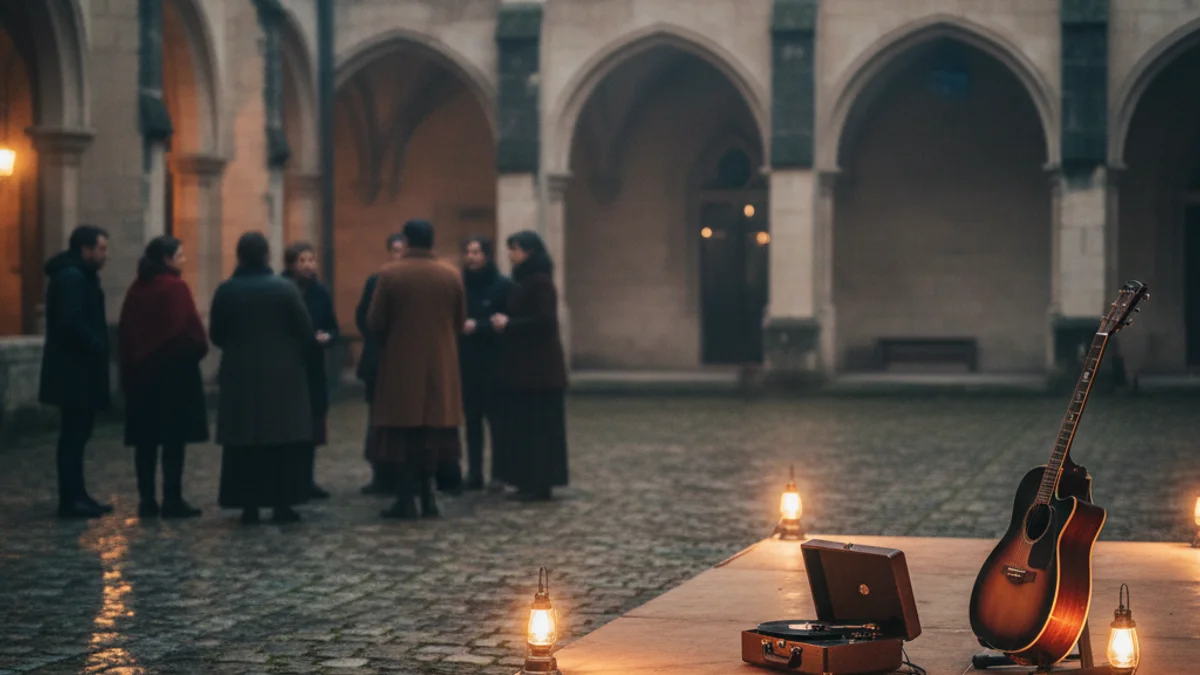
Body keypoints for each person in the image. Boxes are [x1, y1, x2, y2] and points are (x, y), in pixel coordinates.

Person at [211, 232, 315, 524]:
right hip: (282, 378)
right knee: (280, 441)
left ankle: (249, 505)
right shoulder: (284, 289)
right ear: (267, 255)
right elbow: (305, 331)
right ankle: (282, 503)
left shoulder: (226, 291)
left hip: (240, 376)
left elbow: (217, 335)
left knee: (245, 442)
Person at [367, 219, 465, 519]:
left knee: (404, 435)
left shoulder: (391, 274)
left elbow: (375, 322)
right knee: (431, 435)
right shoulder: (451, 274)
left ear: (407, 241)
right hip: (439, 366)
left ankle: (405, 498)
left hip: (401, 367)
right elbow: (459, 321)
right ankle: (428, 496)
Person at [117, 236, 209, 519]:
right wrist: (194, 351)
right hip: (174, 376)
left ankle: (147, 500)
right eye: (179, 255)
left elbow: (127, 332)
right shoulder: (175, 287)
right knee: (173, 441)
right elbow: (190, 331)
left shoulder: (137, 289)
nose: (184, 260)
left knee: (145, 443)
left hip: (142, 377)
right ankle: (172, 499)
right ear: (167, 259)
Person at [39, 224, 114, 518]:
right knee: (73, 436)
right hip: (73, 371)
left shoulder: (78, 275)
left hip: (76, 370)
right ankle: (70, 500)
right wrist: (96, 344)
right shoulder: (72, 277)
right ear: (85, 250)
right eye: (101, 248)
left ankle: (77, 495)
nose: (105, 254)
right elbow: (70, 321)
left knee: (78, 435)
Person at [491, 231, 569, 501]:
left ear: (529, 252)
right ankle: (526, 480)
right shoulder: (523, 281)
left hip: (540, 371)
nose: (511, 254)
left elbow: (545, 321)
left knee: (540, 428)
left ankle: (540, 483)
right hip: (525, 368)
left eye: (515, 248)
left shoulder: (540, 282)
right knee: (525, 427)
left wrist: (509, 324)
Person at [282, 241, 339, 500]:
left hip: (313, 366)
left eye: (311, 260)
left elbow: (332, 326)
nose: (308, 265)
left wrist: (328, 336)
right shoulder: (282, 289)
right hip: (289, 366)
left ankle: (307, 479)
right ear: (291, 264)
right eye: (303, 260)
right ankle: (289, 479)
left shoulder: (320, 292)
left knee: (312, 424)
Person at [458, 236, 514, 491]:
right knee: (472, 422)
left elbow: (507, 321)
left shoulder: (502, 285)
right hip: (468, 362)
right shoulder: (460, 284)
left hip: (494, 362)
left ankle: (499, 473)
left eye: (477, 252)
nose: (471, 257)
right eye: (468, 252)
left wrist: (479, 326)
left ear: (487, 255)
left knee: (497, 421)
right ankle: (474, 472)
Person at [356, 232, 405, 495]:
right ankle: (380, 473)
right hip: (379, 360)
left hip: (402, 364)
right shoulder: (376, 281)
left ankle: (401, 473)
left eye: (403, 249)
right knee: (377, 420)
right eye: (395, 250)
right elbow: (364, 317)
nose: (399, 255)